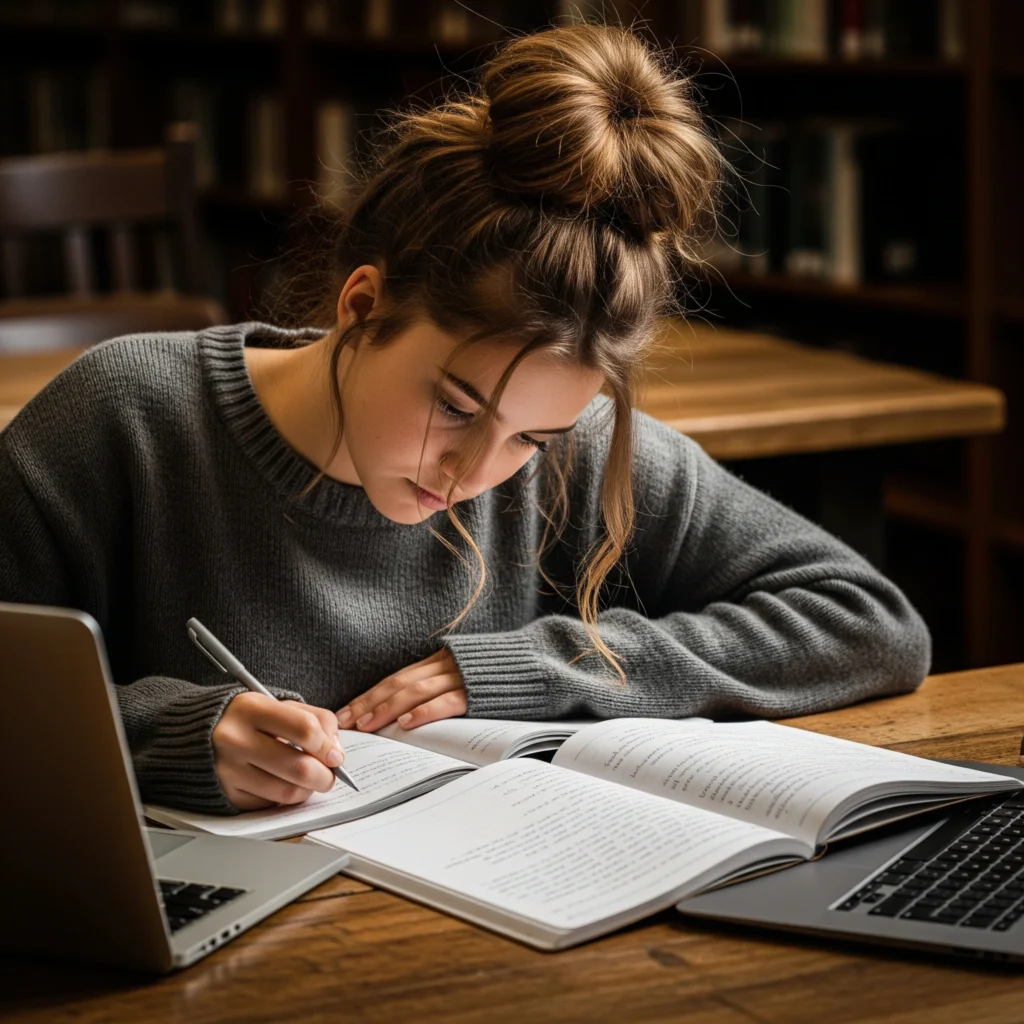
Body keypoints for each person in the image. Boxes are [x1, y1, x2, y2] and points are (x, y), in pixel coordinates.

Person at [0, 24, 930, 816]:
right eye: (454, 406)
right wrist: (164, 734)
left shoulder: (577, 455)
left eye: (533, 436)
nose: (474, 471)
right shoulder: (126, 416)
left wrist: (543, 671)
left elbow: (870, 621)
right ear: (363, 306)